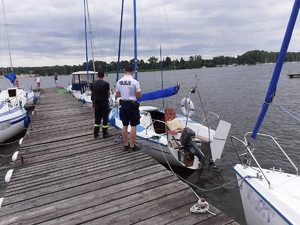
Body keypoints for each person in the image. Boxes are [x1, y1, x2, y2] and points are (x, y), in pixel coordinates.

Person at [116, 65, 142, 152]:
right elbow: (139, 95)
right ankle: (132, 146)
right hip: (132, 104)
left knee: (125, 125)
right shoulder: (134, 82)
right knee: (133, 125)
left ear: (124, 71)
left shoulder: (119, 82)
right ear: (133, 71)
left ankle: (125, 145)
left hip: (123, 104)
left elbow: (117, 94)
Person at [91, 71, 110, 139]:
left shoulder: (93, 84)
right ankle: (105, 133)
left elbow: (92, 94)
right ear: (103, 76)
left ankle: (96, 133)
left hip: (97, 103)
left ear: (97, 76)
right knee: (105, 118)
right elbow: (108, 93)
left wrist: (93, 103)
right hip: (104, 103)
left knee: (97, 118)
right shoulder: (106, 84)